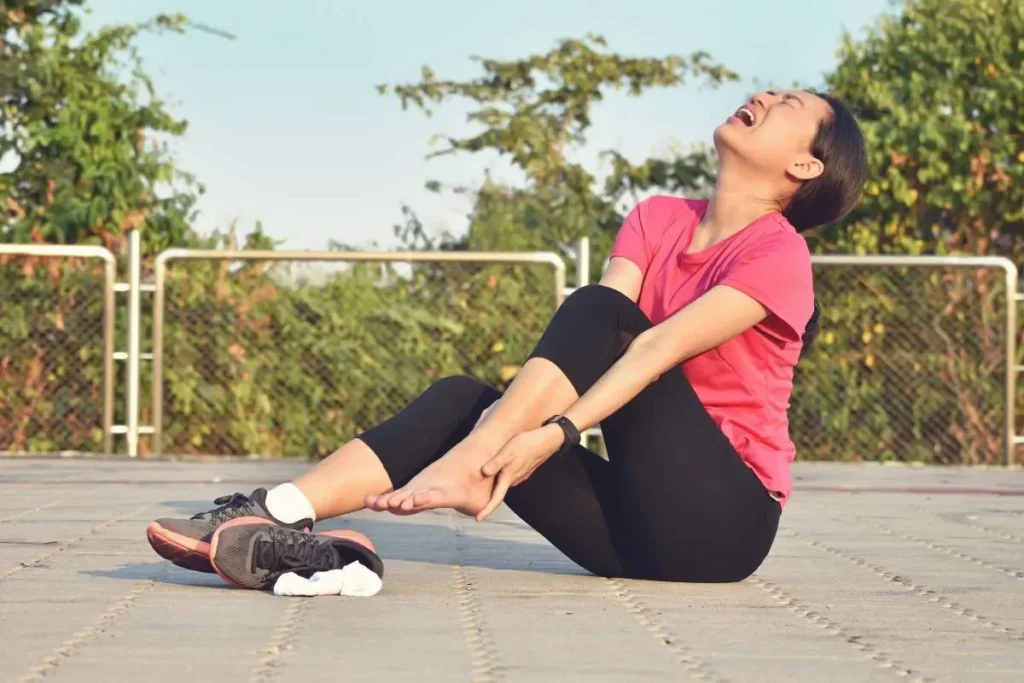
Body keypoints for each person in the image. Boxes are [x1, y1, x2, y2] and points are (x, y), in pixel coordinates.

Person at [147, 90, 867, 589]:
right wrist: (500, 426)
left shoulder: (777, 253)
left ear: (804, 166)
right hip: (631, 533)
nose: (765, 98)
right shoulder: (656, 218)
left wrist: (550, 435)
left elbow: (646, 349)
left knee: (606, 317)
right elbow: (589, 344)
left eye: (789, 106)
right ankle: (274, 515)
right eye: (770, 92)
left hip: (726, 525)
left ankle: (470, 460)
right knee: (468, 398)